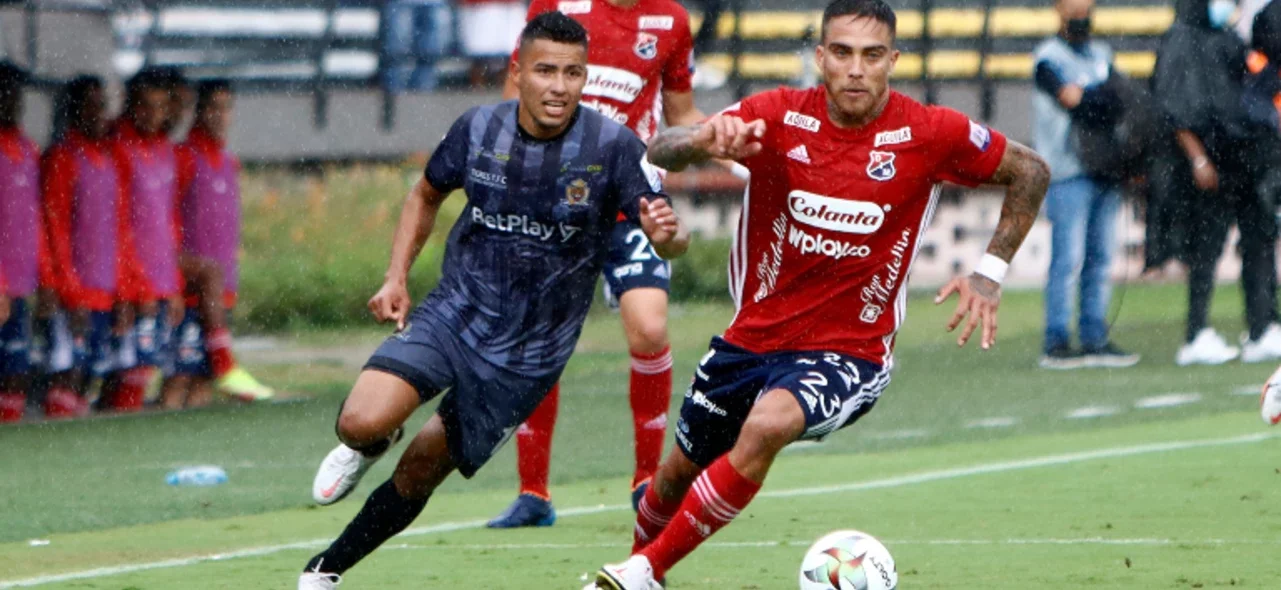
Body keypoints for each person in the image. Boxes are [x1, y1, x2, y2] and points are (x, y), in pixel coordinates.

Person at [585, 0, 1050, 587]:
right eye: (844, 53)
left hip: (850, 350)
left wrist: (990, 272)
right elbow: (660, 147)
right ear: (821, 57)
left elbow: (1030, 170)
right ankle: (636, 568)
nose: (857, 69)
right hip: (751, 339)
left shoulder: (932, 133)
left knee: (766, 426)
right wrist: (708, 137)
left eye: (873, 55)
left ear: (894, 61)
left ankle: (643, 572)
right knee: (673, 475)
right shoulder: (775, 116)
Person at [299, 12, 688, 589]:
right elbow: (425, 193)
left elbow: (669, 236)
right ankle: (369, 444)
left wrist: (666, 236)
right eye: (545, 71)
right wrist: (396, 277)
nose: (559, 86)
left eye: (573, 73)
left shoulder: (613, 147)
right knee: (359, 421)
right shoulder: (478, 129)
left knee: (421, 470)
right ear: (518, 72)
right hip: (455, 312)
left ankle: (325, 570)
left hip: (529, 353)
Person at [483, 0, 708, 529]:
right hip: (556, 204)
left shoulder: (671, 20)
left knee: (649, 328)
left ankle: (648, 483)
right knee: (537, 337)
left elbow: (680, 118)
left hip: (634, 200)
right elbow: (515, 96)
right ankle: (532, 492)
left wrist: (728, 138)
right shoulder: (556, 7)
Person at [1153, 0, 1281, 366]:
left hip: (1244, 158)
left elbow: (1246, 90)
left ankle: (1262, 326)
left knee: (1258, 241)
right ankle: (1196, 333)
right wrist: (1198, 157)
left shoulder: (1226, 39)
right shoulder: (1181, 40)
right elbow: (1173, 107)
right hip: (1212, 160)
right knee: (1206, 250)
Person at [1032, 0, 1139, 369]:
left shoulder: (1100, 53)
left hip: (1104, 166)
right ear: (1058, 9)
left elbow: (1122, 98)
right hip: (1067, 168)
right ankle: (1056, 340)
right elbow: (1074, 100)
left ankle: (1094, 335)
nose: (1082, 12)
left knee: (1100, 258)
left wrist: (1092, 98)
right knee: (1068, 259)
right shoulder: (1047, 57)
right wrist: (1099, 99)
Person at [40, 75, 137, 418]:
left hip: (106, 291)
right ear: (73, 111)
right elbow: (55, 229)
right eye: (90, 105)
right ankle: (51, 442)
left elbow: (121, 232)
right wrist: (68, 290)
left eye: (102, 105)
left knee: (96, 372)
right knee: (67, 370)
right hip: (76, 291)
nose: (99, 113)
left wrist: (125, 291)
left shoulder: (111, 161)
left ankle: (79, 441)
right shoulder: (63, 159)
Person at [166, 79, 262, 409]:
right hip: (193, 287)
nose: (220, 115)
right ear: (199, 111)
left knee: (202, 380)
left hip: (220, 290)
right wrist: (175, 282)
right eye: (212, 108)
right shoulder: (184, 156)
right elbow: (168, 219)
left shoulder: (228, 162)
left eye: (226, 108)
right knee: (178, 377)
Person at [106, 69, 185, 413]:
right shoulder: (119, 148)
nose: (153, 115)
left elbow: (168, 221)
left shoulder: (165, 149)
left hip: (161, 280)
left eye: (160, 107)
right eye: (145, 106)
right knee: (122, 368)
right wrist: (133, 284)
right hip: (130, 283)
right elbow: (118, 224)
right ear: (130, 104)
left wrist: (174, 283)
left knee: (144, 366)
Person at [0, 62, 46, 423]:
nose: (12, 101)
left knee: (17, 372)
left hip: (20, 286)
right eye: (4, 92)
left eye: (16, 94)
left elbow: (35, 219)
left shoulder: (28, 150)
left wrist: (43, 276)